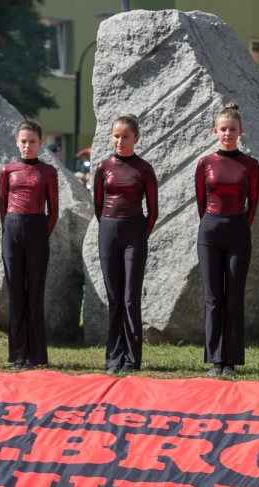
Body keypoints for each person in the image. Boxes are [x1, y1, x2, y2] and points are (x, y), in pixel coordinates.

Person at [195, 102, 259, 377]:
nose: (227, 134)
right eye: (223, 129)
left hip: (238, 230)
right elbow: (201, 200)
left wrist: (238, 224)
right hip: (209, 230)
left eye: (232, 129)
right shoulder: (205, 163)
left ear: (240, 131)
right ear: (215, 131)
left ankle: (231, 359)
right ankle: (215, 359)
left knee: (233, 296)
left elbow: (253, 202)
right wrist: (212, 223)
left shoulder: (250, 164)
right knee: (213, 298)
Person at [92, 113, 158, 374]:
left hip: (134, 233)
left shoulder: (144, 169)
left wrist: (140, 235)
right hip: (108, 230)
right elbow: (98, 205)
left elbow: (153, 210)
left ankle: (132, 359)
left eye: (126, 137)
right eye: (116, 136)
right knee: (114, 298)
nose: (120, 141)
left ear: (136, 139)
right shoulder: (103, 167)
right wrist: (109, 226)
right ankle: (113, 358)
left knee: (131, 298)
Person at [0, 119, 58, 370]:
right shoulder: (7, 170)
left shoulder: (48, 171)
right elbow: (2, 204)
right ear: (16, 142)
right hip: (12, 228)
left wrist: (41, 234)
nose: (27, 146)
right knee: (15, 294)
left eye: (32, 142)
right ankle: (18, 355)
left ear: (41, 143)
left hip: (37, 229)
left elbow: (53, 210)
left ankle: (36, 355)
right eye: (23, 141)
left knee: (34, 293)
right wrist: (10, 229)